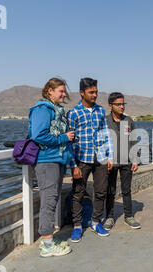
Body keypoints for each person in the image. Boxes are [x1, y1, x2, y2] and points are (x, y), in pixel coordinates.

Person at [28, 78, 74, 257]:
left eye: (64, 91)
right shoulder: (42, 109)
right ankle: (47, 245)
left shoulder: (57, 110)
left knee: (52, 199)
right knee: (49, 200)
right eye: (60, 91)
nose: (64, 94)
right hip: (47, 161)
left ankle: (48, 240)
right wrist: (64, 138)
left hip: (57, 161)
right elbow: (38, 135)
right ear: (49, 91)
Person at [67, 78, 113, 242]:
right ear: (82, 93)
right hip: (82, 159)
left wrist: (110, 156)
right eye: (91, 92)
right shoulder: (73, 113)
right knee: (78, 193)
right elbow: (69, 142)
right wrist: (73, 165)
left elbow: (106, 134)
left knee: (101, 191)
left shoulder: (100, 111)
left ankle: (95, 222)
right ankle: (77, 226)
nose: (95, 95)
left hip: (100, 158)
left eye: (96, 92)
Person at [104, 92, 141, 231]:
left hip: (127, 162)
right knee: (110, 191)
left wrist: (135, 160)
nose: (121, 107)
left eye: (123, 104)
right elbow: (102, 142)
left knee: (126, 190)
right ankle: (109, 217)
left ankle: (128, 216)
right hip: (110, 163)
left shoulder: (129, 121)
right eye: (118, 104)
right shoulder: (105, 121)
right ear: (110, 105)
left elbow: (133, 141)